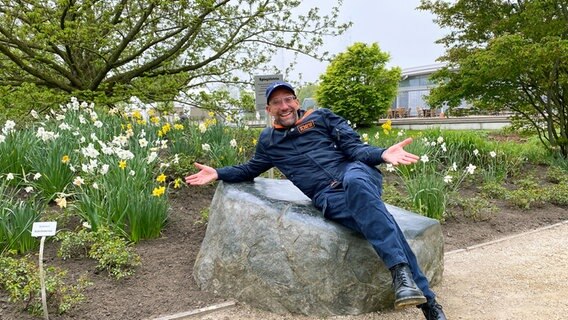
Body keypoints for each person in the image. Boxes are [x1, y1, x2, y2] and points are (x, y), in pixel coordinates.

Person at [185, 81, 447, 320]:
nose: (284, 106)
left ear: (297, 102)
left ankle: (403, 277)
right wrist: (218, 173)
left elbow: (355, 149)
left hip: (355, 173)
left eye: (288, 99)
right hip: (328, 197)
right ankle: (425, 299)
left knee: (357, 184)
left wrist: (381, 154)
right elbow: (250, 169)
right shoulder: (269, 141)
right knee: (379, 221)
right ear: (269, 109)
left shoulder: (322, 117)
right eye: (277, 102)